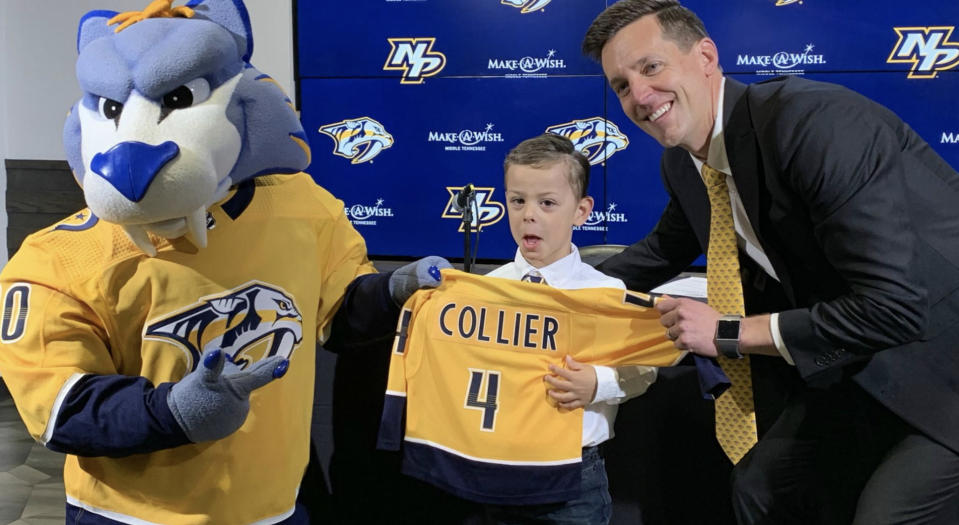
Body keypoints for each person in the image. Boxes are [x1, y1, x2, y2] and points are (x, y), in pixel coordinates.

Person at [582, 1, 959, 523]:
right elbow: (656, 254)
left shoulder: (812, 122)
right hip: (858, 364)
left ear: (706, 56)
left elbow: (895, 307)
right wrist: (539, 291)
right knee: (760, 486)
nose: (640, 97)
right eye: (621, 85)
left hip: (942, 358)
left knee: (888, 515)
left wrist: (729, 333)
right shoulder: (685, 163)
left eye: (651, 67)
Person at [482, 133, 659, 524]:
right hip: (496, 470)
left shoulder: (606, 292)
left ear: (581, 211)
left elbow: (645, 369)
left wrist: (599, 383)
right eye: (517, 201)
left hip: (575, 479)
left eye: (547, 203)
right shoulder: (488, 290)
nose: (529, 214)